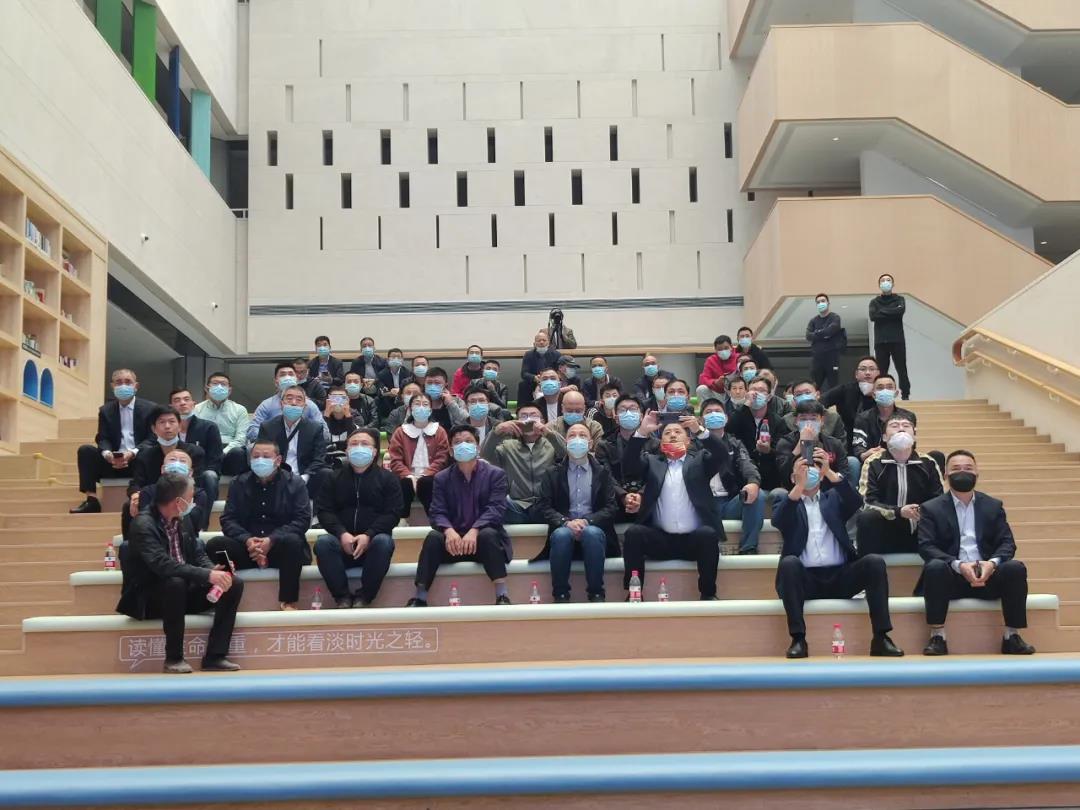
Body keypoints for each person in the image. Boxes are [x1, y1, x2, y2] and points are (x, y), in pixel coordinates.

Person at [772, 456, 903, 659]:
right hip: (806, 580)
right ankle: (798, 639)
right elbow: (779, 520)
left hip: (840, 576)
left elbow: (856, 501)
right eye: (803, 468)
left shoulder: (832, 498)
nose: (809, 471)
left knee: (874, 563)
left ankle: (881, 637)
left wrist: (829, 472)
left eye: (814, 468)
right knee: (789, 564)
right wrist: (799, 486)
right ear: (792, 477)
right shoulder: (787, 501)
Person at [118, 472, 243, 673]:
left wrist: (212, 569)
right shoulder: (142, 525)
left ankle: (215, 656)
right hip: (152, 599)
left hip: (184, 593)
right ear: (178, 502)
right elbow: (163, 566)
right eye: (191, 497)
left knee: (233, 583)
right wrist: (206, 575)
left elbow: (197, 553)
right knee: (174, 582)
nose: (193, 502)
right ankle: (174, 658)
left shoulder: (183, 519)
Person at [917, 450, 1035, 656]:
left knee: (1015, 568)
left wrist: (992, 564)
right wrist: (959, 565)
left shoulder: (993, 506)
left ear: (977, 473)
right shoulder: (931, 508)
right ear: (945, 475)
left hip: (987, 575)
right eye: (956, 469)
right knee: (934, 567)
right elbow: (926, 546)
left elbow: (1007, 543)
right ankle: (937, 636)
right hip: (951, 577)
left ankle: (1012, 636)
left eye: (968, 468)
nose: (962, 472)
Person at [621, 409, 727, 600]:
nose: (672, 435)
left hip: (692, 541)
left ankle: (708, 594)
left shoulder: (700, 461)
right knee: (633, 534)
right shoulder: (652, 462)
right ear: (661, 443)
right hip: (660, 539)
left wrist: (699, 429)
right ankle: (634, 593)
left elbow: (721, 454)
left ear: (688, 441)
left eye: (678, 432)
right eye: (667, 433)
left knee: (708, 535)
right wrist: (642, 433)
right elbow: (629, 465)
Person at [407, 425, 512, 606]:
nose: (463, 445)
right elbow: (437, 511)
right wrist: (448, 531)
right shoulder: (441, 478)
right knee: (433, 537)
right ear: (450, 450)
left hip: (483, 543)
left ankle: (502, 595)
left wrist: (475, 530)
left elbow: (496, 509)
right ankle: (420, 597)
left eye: (468, 441)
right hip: (453, 544)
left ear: (477, 447)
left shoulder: (495, 475)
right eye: (457, 442)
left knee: (488, 534)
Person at [207, 440, 311, 610]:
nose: (260, 460)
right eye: (256, 456)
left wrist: (271, 540)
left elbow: (302, 520)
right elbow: (228, 519)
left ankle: (288, 601)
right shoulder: (238, 483)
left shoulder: (295, 483)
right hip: (247, 549)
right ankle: (224, 597)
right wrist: (248, 540)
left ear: (278, 460)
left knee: (293, 542)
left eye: (266, 456)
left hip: (280, 549)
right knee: (215, 545)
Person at [314, 428, 400, 608]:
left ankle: (365, 597)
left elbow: (393, 513)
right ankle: (342, 597)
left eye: (365, 444)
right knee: (323, 543)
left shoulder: (389, 479)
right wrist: (341, 533)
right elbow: (324, 511)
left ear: (374, 451)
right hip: (341, 545)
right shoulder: (332, 478)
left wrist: (369, 535)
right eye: (354, 444)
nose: (359, 447)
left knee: (384, 542)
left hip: (372, 547)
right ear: (346, 450)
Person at [536, 423, 619, 602]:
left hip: (594, 529)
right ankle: (560, 594)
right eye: (572, 435)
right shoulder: (552, 472)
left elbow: (611, 507)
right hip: (564, 528)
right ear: (566, 442)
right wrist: (565, 522)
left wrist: (587, 521)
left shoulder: (603, 472)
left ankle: (596, 594)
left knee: (592, 533)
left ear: (590, 443)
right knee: (561, 535)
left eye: (582, 435)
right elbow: (544, 506)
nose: (577, 439)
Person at [856, 414, 943, 556]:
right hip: (886, 529)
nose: (901, 429)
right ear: (884, 437)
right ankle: (868, 564)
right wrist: (899, 512)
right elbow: (867, 502)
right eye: (895, 426)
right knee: (867, 517)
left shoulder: (929, 463)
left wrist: (920, 511)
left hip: (920, 529)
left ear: (914, 435)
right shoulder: (873, 462)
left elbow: (939, 500)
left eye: (906, 426)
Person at [72, 369, 157, 513]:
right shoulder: (105, 410)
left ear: (136, 386)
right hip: (113, 462)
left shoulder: (150, 409)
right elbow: (102, 437)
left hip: (138, 460)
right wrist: (108, 454)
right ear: (112, 386)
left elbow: (152, 438)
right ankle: (92, 500)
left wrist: (132, 453)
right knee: (86, 451)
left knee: (151, 454)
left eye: (128, 382)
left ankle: (146, 499)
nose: (123, 386)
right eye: (119, 382)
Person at [482, 403, 566, 524]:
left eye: (533, 416)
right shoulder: (507, 446)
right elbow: (485, 455)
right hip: (517, 505)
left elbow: (566, 454)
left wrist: (548, 432)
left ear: (542, 421)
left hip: (546, 506)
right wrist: (496, 431)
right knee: (496, 502)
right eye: (524, 416)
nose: (529, 420)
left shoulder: (551, 444)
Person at [700, 399, 765, 555]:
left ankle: (748, 548)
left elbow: (747, 464)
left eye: (717, 411)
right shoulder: (693, 444)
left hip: (729, 503)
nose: (713, 415)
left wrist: (753, 482)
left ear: (726, 418)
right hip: (703, 505)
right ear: (701, 420)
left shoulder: (735, 443)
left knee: (757, 494)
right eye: (709, 412)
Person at [256, 385, 331, 502]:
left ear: (304, 406)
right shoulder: (267, 427)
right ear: (281, 404)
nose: (294, 403)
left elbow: (319, 458)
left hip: (305, 475)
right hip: (277, 475)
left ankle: (317, 511)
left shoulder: (315, 428)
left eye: (299, 399)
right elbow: (262, 455)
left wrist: (304, 477)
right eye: (289, 398)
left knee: (325, 473)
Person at [122, 448, 211, 540]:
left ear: (190, 472)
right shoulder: (148, 491)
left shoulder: (198, 494)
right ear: (163, 469)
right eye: (172, 459)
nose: (177, 463)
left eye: (182, 461)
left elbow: (196, 525)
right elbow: (147, 522)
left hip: (185, 539)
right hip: (155, 537)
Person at [387, 393, 450, 519]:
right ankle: (402, 519)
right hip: (406, 475)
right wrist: (409, 476)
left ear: (430, 410)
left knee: (426, 483)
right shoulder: (400, 432)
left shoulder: (439, 431)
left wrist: (426, 474)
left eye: (425, 404)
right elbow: (395, 459)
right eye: (417, 404)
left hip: (432, 476)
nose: (421, 407)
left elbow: (442, 458)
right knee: (405, 483)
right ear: (410, 409)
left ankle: (435, 519)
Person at [128, 406, 206, 497]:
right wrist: (135, 494)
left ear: (180, 426)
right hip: (154, 498)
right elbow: (136, 484)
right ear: (153, 429)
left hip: (186, 497)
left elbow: (197, 483)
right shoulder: (145, 456)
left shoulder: (194, 452)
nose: (167, 426)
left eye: (172, 421)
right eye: (162, 422)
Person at [776, 400, 848, 495]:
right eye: (803, 419)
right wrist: (800, 445)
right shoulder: (785, 442)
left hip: (827, 491)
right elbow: (783, 476)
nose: (808, 423)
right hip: (795, 491)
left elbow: (844, 476)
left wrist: (827, 470)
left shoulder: (834, 444)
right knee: (778, 493)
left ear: (822, 421)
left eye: (813, 419)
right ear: (796, 421)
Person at [601, 395, 654, 523]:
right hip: (616, 503)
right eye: (623, 410)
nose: (628, 413)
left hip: (648, 504)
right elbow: (605, 476)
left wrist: (641, 495)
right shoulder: (604, 445)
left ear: (641, 416)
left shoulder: (655, 444)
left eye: (633, 409)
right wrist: (623, 496)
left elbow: (656, 475)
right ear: (616, 417)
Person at [729, 375, 786, 494]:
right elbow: (729, 430)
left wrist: (768, 450)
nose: (756, 394)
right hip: (741, 477)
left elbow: (782, 451)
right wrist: (746, 404)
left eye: (761, 390)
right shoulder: (739, 415)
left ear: (769, 396)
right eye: (753, 390)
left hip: (769, 479)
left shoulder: (778, 421)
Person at [247, 362, 327, 442]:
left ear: (296, 379)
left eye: (291, 374)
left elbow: (325, 433)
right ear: (276, 381)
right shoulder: (266, 405)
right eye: (283, 375)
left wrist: (302, 440)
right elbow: (252, 432)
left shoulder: (309, 405)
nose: (287, 377)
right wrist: (274, 440)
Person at [169, 388, 223, 501]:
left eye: (186, 399)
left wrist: (192, 474)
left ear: (193, 404)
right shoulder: (167, 428)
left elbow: (214, 460)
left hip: (200, 473)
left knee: (210, 475)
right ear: (171, 406)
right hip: (172, 471)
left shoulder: (209, 427)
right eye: (177, 400)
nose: (182, 403)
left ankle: (206, 511)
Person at [193, 372, 250, 476]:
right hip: (206, 451)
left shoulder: (240, 410)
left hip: (229, 452)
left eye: (223, 384)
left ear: (229, 390)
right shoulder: (196, 409)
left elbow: (241, 438)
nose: (219, 387)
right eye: (215, 383)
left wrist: (223, 452)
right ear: (207, 388)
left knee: (239, 452)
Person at [851, 375, 917, 462]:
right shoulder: (863, 418)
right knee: (853, 461)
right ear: (873, 395)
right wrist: (864, 454)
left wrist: (888, 453)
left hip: (900, 459)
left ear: (896, 393)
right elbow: (859, 445)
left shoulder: (908, 417)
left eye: (889, 387)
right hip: (871, 461)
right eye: (880, 388)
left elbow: (911, 444)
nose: (885, 391)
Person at [821, 356, 879, 449]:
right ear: (856, 374)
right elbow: (820, 403)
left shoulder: (883, 392)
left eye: (872, 369)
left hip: (875, 444)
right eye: (863, 369)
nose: (867, 373)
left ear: (878, 373)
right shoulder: (845, 390)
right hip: (846, 444)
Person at [870, 274, 910, 400]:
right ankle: (881, 394)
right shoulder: (874, 302)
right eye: (883, 280)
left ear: (893, 284)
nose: (885, 282)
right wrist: (891, 311)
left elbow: (900, 311)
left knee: (901, 369)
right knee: (881, 371)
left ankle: (905, 395)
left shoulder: (900, 299)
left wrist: (882, 311)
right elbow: (873, 316)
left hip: (897, 340)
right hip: (880, 342)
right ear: (879, 285)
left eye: (888, 280)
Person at [783, 380, 847, 449]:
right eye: (798, 395)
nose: (803, 396)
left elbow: (841, 447)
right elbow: (783, 449)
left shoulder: (833, 417)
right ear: (794, 399)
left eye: (807, 393)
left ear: (817, 394)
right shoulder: (786, 420)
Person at [323, 384, 369, 467]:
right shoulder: (321, 417)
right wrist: (326, 415)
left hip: (350, 458)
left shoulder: (356, 416)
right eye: (334, 398)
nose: (338, 402)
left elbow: (356, 438)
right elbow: (320, 439)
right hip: (326, 458)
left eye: (342, 398)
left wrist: (347, 415)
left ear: (348, 400)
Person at [806, 293, 844, 391]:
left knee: (833, 385)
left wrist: (817, 333)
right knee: (814, 385)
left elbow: (832, 330)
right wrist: (824, 334)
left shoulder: (835, 317)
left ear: (828, 303)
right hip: (817, 357)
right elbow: (808, 336)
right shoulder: (813, 321)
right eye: (818, 302)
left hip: (832, 356)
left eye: (823, 301)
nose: (820, 303)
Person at [518, 330, 563, 406]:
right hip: (534, 382)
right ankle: (523, 408)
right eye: (539, 341)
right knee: (523, 384)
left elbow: (559, 372)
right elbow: (524, 373)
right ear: (534, 343)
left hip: (550, 381)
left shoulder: (556, 354)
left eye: (544, 340)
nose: (541, 342)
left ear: (548, 343)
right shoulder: (528, 354)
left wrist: (549, 378)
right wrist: (534, 377)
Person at [696, 335, 739, 403]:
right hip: (719, 393)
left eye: (726, 348)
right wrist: (715, 382)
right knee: (701, 389)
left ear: (731, 347)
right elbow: (703, 378)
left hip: (736, 391)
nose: (723, 351)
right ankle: (707, 409)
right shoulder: (711, 360)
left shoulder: (739, 357)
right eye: (720, 349)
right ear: (715, 350)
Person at [424, 367, 467, 432]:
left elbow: (467, 422)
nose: (433, 386)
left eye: (437, 383)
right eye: (429, 383)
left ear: (445, 384)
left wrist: (451, 404)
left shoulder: (457, 401)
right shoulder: (418, 402)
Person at [376, 347, 411, 419]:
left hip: (403, 399)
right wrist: (389, 393)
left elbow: (410, 388)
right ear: (388, 360)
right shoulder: (382, 374)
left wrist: (400, 392)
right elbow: (381, 391)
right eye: (393, 357)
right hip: (388, 401)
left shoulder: (407, 373)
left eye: (398, 357)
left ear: (402, 360)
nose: (396, 359)